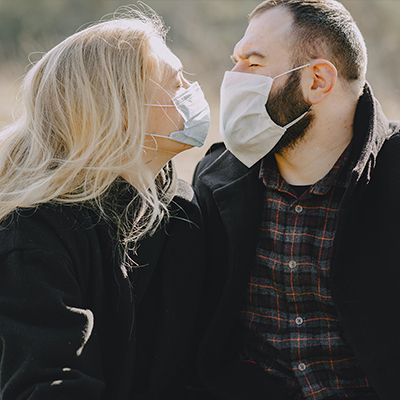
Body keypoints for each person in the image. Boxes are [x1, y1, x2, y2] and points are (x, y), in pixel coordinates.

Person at [193, 0, 399, 399]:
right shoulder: (217, 179)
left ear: (318, 80)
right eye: (234, 61)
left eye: (253, 64)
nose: (232, 79)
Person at [0, 9, 210, 400]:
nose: (191, 91)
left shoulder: (183, 208)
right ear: (123, 111)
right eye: (175, 81)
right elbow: (48, 384)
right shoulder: (33, 234)